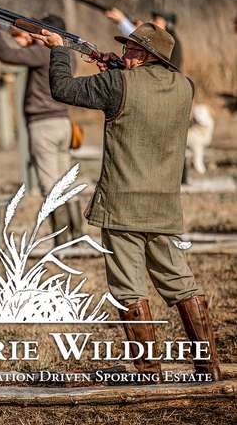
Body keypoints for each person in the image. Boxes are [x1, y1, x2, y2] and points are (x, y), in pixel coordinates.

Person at [38, 23, 221, 383]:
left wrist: (58, 49)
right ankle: (208, 366)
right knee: (181, 283)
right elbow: (144, 88)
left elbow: (62, 89)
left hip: (123, 206)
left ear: (147, 56)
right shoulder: (185, 87)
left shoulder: (117, 84)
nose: (125, 54)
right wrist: (119, 69)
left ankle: (149, 372)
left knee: (129, 290)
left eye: (132, 50)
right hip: (165, 208)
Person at [0, 12, 80, 239]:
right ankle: (76, 234)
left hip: (43, 125)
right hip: (64, 122)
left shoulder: (43, 53)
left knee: (50, 185)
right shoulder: (69, 55)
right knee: (65, 181)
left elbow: (8, 55)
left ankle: (61, 240)